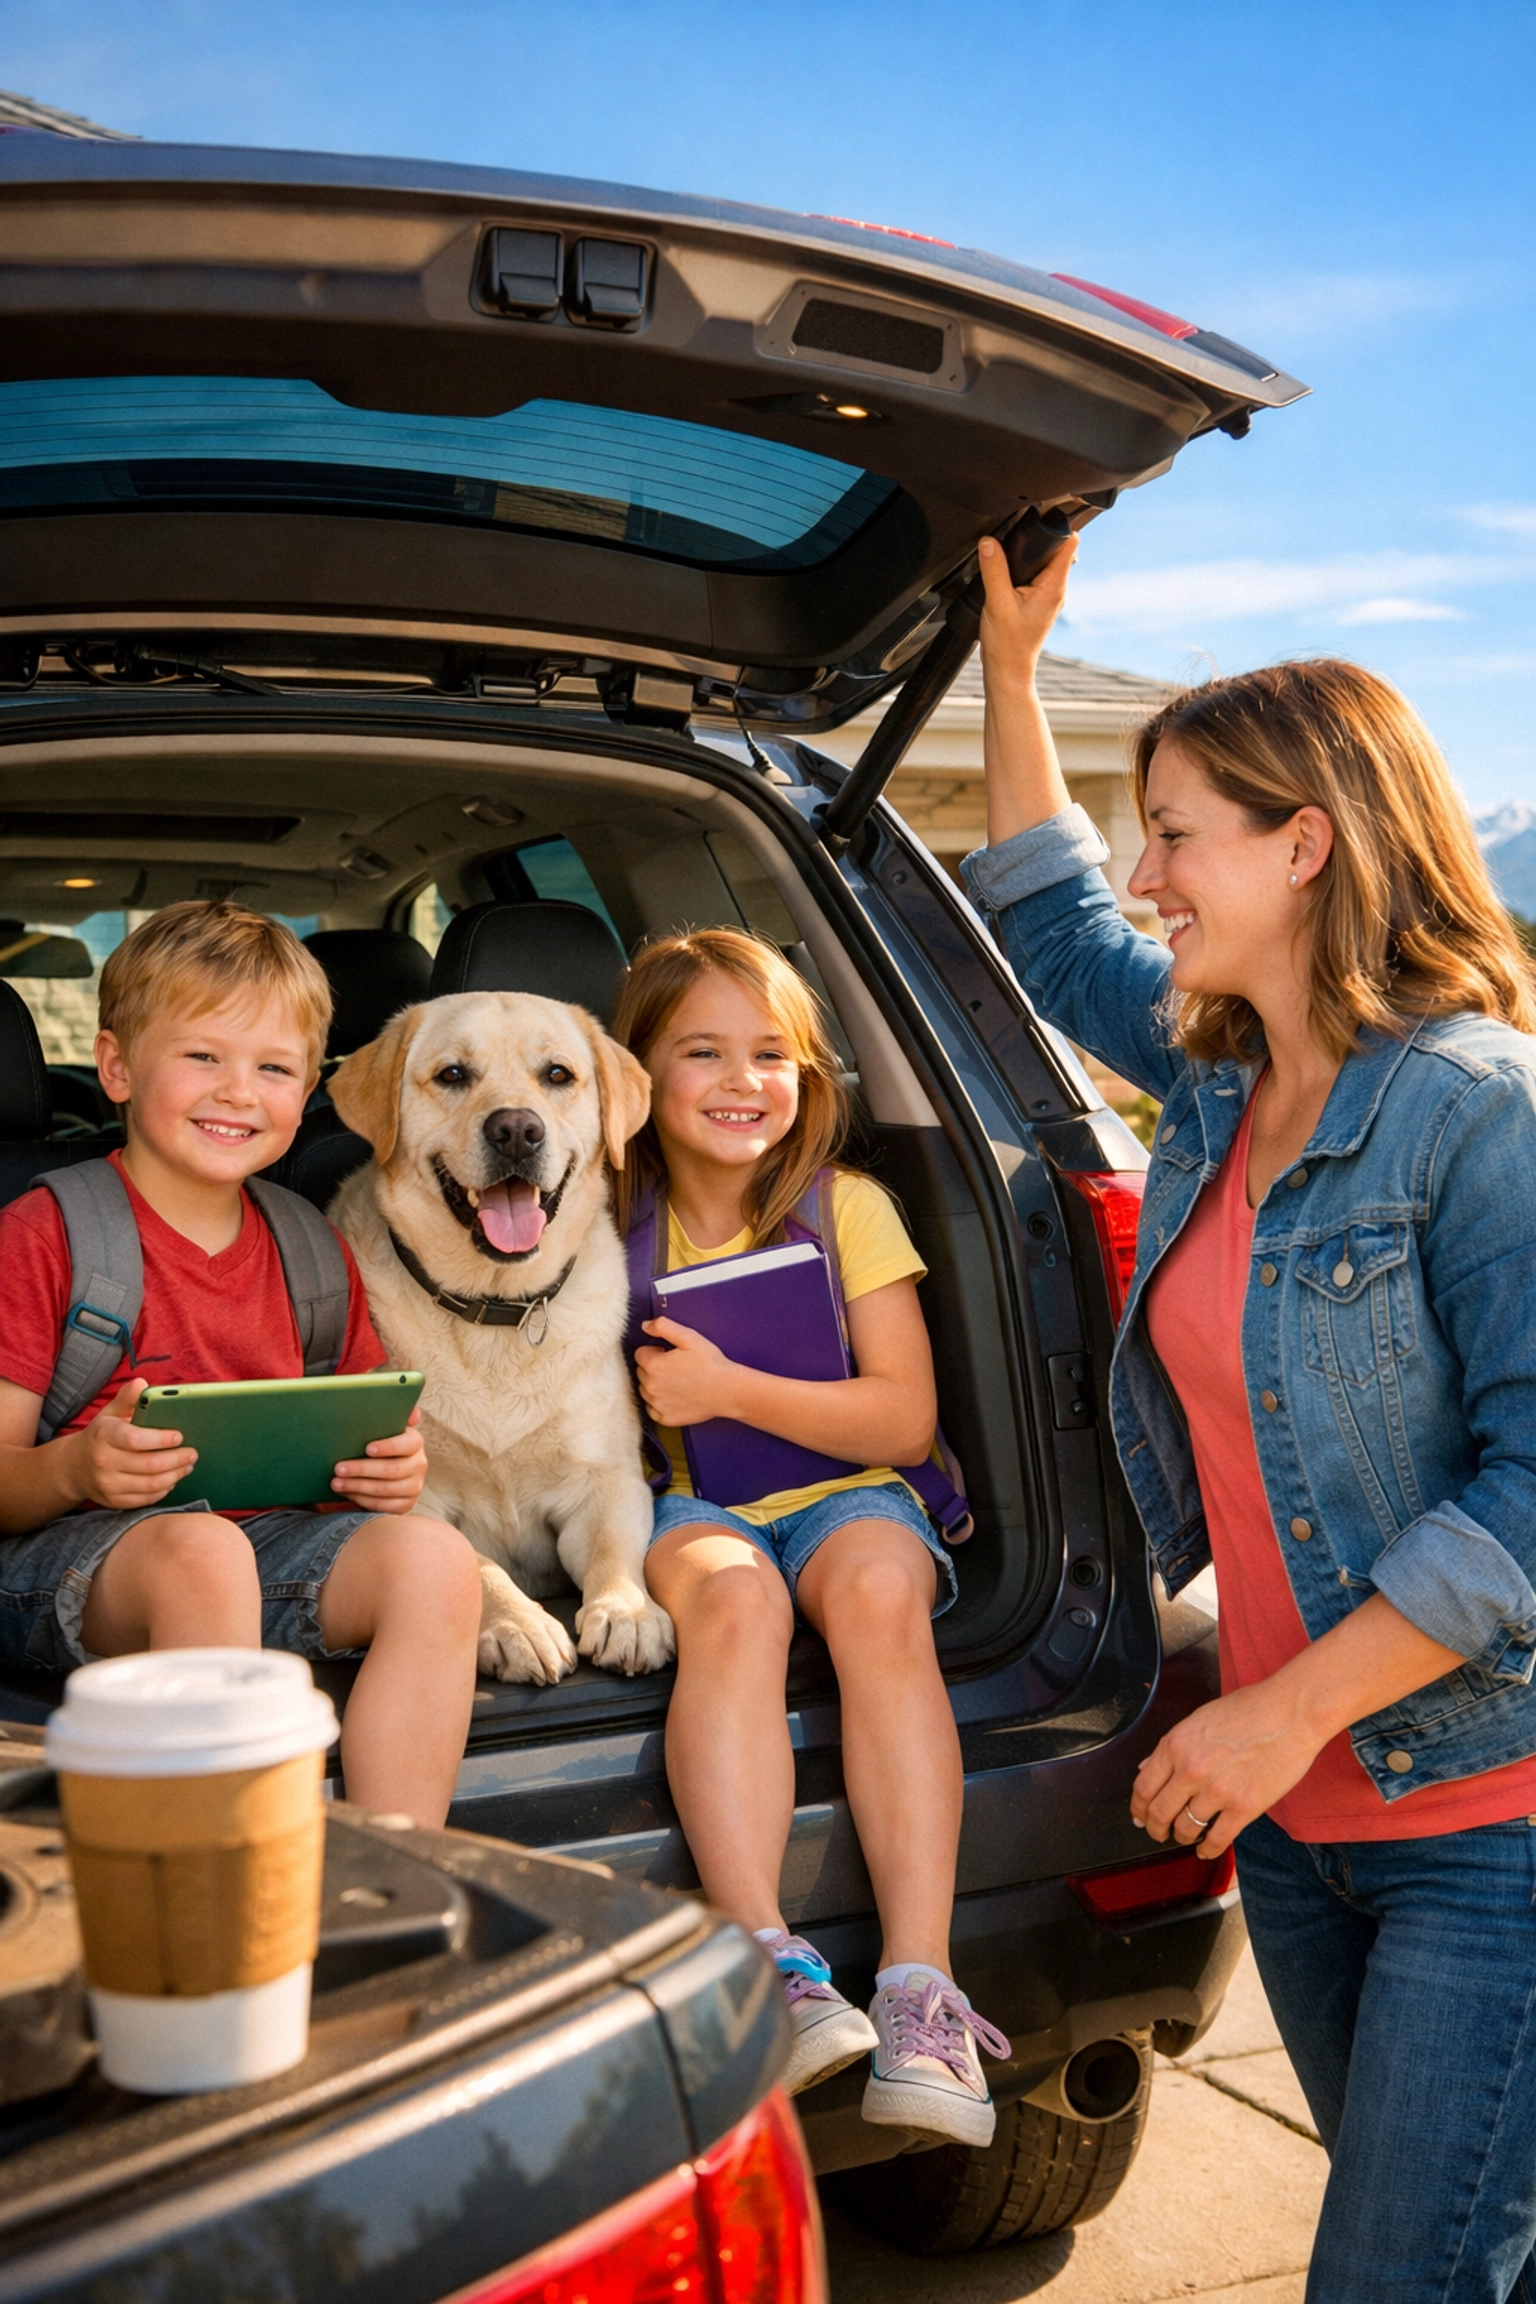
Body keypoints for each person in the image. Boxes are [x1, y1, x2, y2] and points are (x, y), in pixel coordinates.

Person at [966, 530, 1536, 2302]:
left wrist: (1269, 1712)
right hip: (1305, 1833)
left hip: (1488, 1826)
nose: (1147, 871)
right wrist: (1005, 663)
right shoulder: (1224, 1079)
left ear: (1305, 842)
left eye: (1181, 831)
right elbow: (1047, 921)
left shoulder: (1472, 1108)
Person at [616, 927, 1007, 2145]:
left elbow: (902, 1417)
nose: (744, 1082)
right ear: (635, 1074)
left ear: (809, 1077)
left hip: (853, 1491)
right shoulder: (597, 1221)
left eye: (770, 1055)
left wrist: (728, 1391)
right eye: (703, 1053)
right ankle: (769, 1966)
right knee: (735, 1607)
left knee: (883, 1594)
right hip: (689, 1507)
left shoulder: (847, 1208)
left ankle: (920, 1992)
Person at [0, 901, 482, 1827]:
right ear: (115, 1068)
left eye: (273, 1068)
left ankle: (398, 1864)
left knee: (434, 1559)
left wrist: (386, 1473)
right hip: (57, 1564)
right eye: (202, 1057)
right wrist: (73, 1465)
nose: (238, 1091)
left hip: (260, 1550)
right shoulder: (45, 1233)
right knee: (204, 1552)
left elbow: (359, 1441)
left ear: (306, 1095)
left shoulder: (309, 1246)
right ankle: (245, 1873)